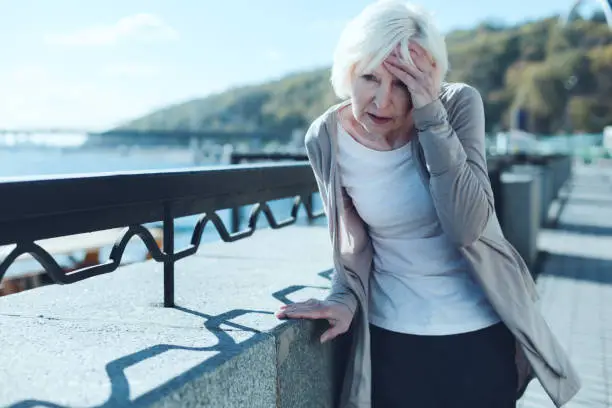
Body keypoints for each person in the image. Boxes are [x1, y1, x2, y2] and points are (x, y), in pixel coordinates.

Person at [276, 1, 580, 408]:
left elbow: (467, 226)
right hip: (392, 342)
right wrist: (342, 297)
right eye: (369, 77)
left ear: (430, 78)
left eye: (402, 83)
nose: (382, 100)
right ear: (347, 71)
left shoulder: (457, 106)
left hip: (480, 338)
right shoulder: (325, 138)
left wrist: (431, 116)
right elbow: (351, 240)